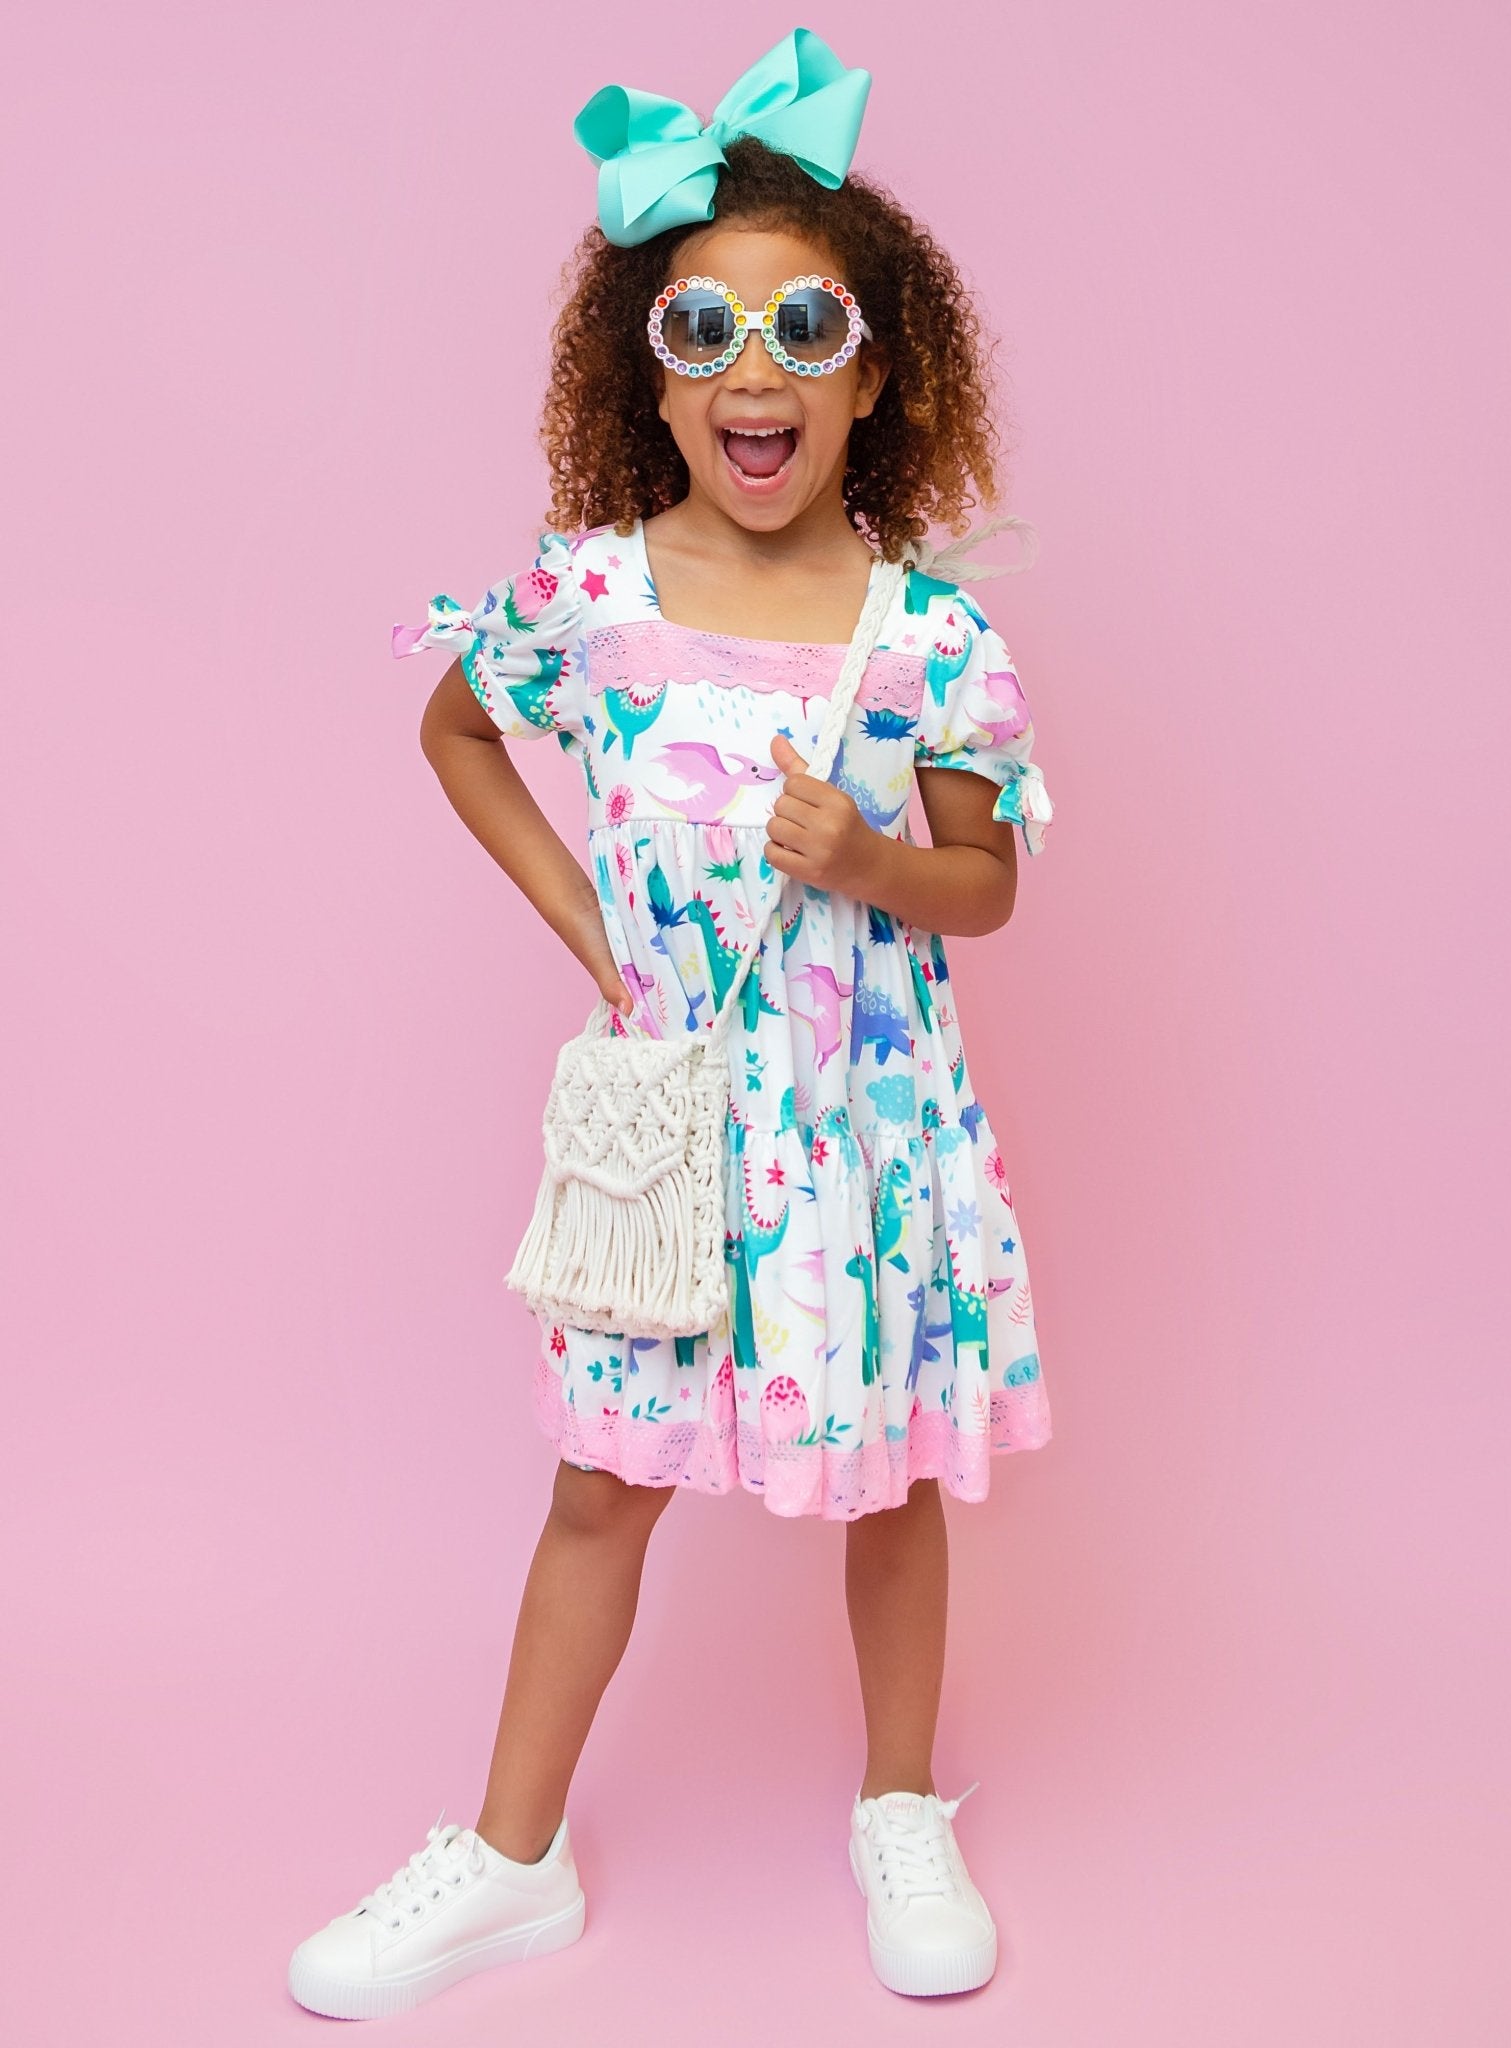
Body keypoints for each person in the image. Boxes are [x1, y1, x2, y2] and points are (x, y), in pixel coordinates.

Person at [288, 27, 1056, 2021]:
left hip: (863, 1131)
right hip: (674, 1127)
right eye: (699, 324)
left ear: (871, 370)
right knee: (593, 1484)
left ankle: (901, 1797)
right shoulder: (591, 598)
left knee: (883, 1476)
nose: (751, 369)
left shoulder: (929, 637)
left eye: (804, 324)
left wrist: (871, 860)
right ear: (649, 361)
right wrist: (592, 934)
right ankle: (511, 1852)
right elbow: (455, 726)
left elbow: (985, 880)